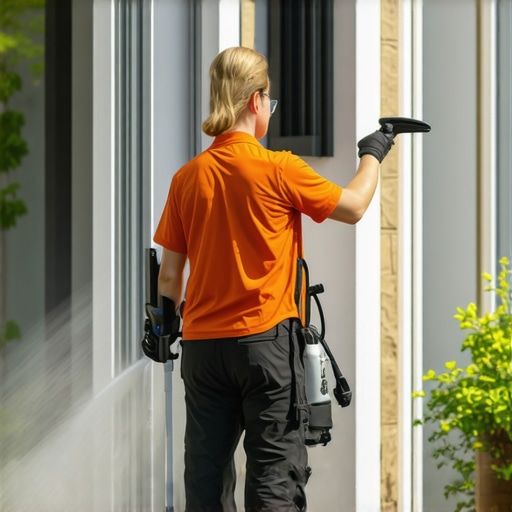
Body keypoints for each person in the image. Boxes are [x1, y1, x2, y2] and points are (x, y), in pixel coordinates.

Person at [152, 46, 393, 512]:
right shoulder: (279, 167)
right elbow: (354, 205)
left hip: (202, 350)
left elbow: (169, 275)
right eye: (271, 102)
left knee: (205, 478)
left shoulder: (187, 178)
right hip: (265, 347)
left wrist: (161, 325)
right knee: (275, 479)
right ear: (256, 101)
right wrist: (372, 154)